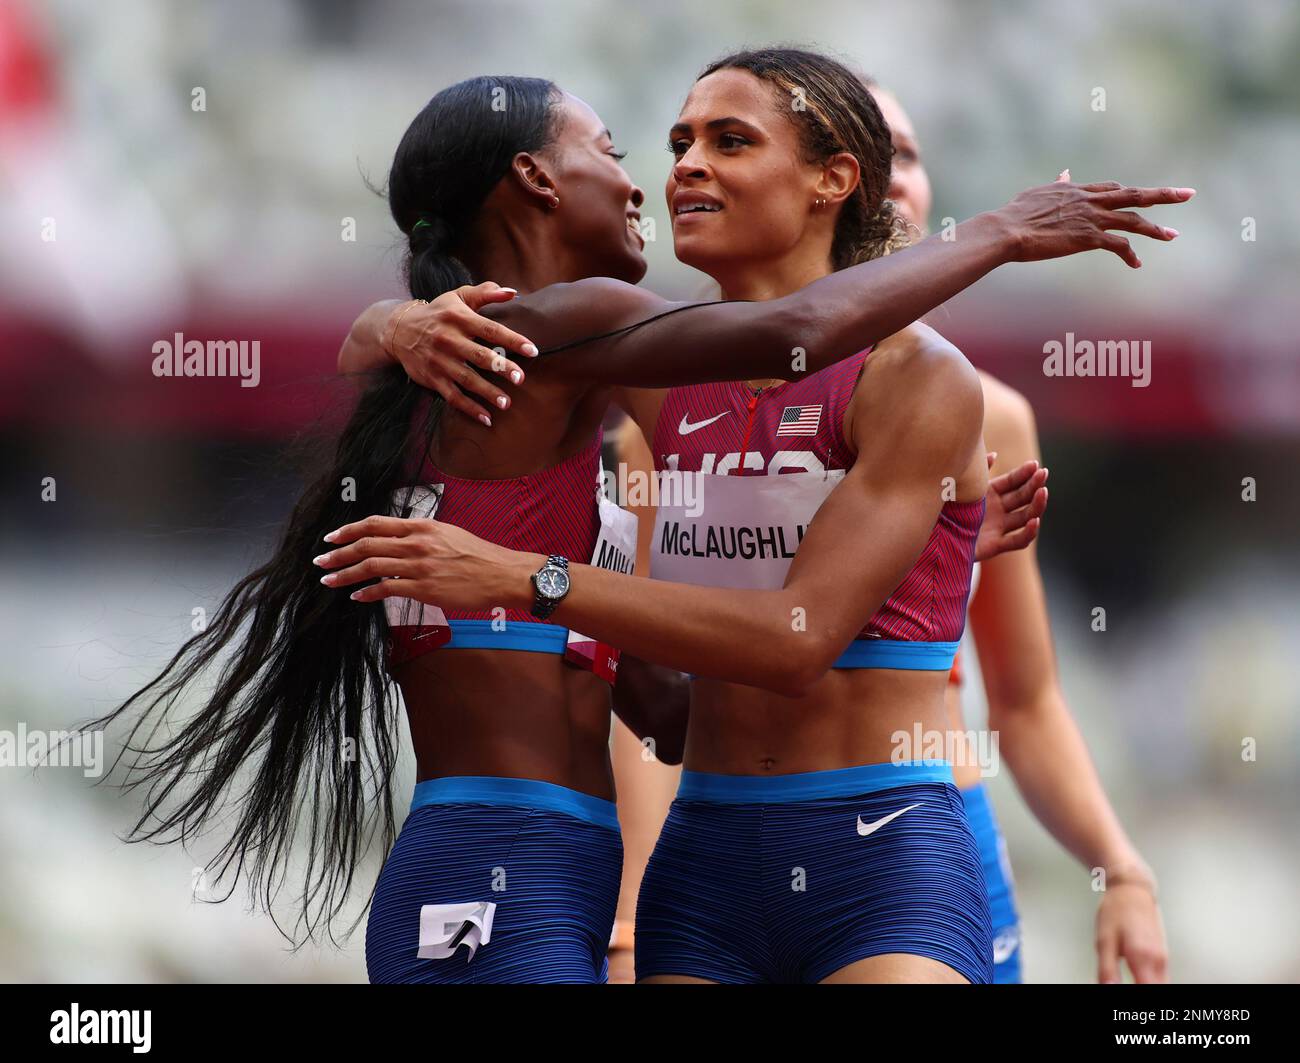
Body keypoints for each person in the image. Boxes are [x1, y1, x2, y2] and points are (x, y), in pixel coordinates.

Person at [319, 48, 1189, 983]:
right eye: (674, 142)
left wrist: (926, 560)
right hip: (695, 863)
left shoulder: (927, 380)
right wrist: (392, 322)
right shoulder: (641, 376)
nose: (681, 165)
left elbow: (759, 665)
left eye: (729, 142)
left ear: (834, 181)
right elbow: (786, 346)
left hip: (881, 846)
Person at [868, 82, 1167, 984]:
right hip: (736, 832)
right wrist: (629, 918)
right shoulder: (684, 395)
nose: (892, 179)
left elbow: (1026, 699)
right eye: (862, 152)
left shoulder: (991, 417)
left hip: (930, 830)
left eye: (910, 156)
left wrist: (1123, 870)